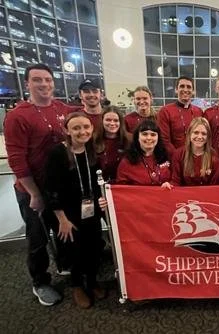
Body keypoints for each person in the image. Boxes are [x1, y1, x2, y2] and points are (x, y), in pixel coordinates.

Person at [4, 63, 79, 306]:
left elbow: (83, 118)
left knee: (64, 229)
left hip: (59, 187)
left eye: (47, 79)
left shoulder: (62, 109)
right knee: (37, 238)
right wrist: (34, 193)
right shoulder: (18, 115)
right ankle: (40, 281)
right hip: (32, 190)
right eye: (37, 80)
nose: (44, 84)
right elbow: (17, 159)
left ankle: (65, 265)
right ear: (27, 83)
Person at [45, 112, 107, 309]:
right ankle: (77, 285)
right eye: (77, 128)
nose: (82, 132)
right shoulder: (58, 153)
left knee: (95, 246)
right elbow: (51, 189)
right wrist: (61, 219)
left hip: (91, 211)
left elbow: (97, 182)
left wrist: (102, 201)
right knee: (75, 250)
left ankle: (92, 280)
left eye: (86, 127)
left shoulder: (92, 150)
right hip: (68, 214)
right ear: (67, 131)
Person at [116, 119, 172, 187]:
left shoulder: (167, 156)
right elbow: (120, 190)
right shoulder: (126, 162)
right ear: (137, 137)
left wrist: (170, 184)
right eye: (144, 134)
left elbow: (176, 180)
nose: (149, 138)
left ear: (158, 138)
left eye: (153, 134)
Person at [158, 76, 203, 157]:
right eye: (182, 86)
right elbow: (164, 140)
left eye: (189, 87)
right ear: (176, 90)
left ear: (193, 91)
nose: (185, 90)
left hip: (196, 156)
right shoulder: (165, 111)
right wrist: (178, 156)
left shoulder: (199, 111)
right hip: (175, 158)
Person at [171, 117, 219, 186]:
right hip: (185, 195)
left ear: (208, 137)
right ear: (189, 134)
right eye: (196, 132)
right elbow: (176, 182)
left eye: (204, 134)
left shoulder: (215, 156)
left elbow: (215, 185)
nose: (199, 137)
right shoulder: (178, 154)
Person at [93, 106, 130, 182]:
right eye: (108, 120)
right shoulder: (93, 140)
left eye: (116, 120)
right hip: (99, 185)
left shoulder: (130, 140)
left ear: (121, 122)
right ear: (102, 121)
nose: (112, 123)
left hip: (123, 185)